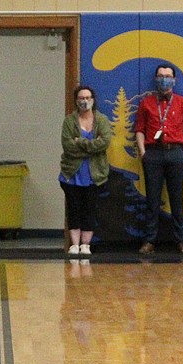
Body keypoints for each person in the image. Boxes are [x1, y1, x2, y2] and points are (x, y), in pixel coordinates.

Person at [135, 63, 183, 255]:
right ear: (155, 79)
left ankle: (181, 241)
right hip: (153, 154)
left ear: (174, 80)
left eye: (167, 76)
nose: (164, 79)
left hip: (176, 153)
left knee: (177, 199)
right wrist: (144, 152)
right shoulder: (146, 103)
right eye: (160, 76)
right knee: (152, 199)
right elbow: (139, 130)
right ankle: (149, 240)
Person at [60, 85, 112, 256]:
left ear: (93, 100)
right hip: (72, 173)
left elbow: (103, 143)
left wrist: (80, 142)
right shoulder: (69, 121)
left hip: (94, 174)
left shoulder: (102, 120)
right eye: (81, 98)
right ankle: (74, 244)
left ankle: (85, 245)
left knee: (90, 209)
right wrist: (91, 146)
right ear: (76, 101)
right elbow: (68, 146)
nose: (84, 101)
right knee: (74, 209)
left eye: (88, 98)